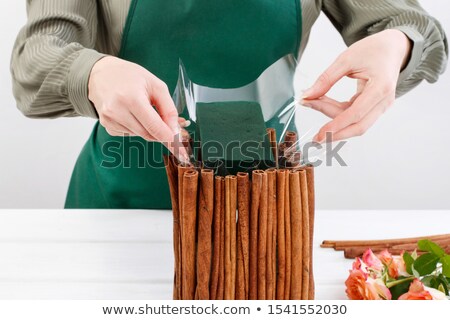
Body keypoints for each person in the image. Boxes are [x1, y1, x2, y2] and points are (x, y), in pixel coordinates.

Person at [11, 0, 448, 209]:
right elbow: (35, 58)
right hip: (118, 207)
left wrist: (398, 46)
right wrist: (92, 73)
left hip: (264, 215)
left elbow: (412, 26)